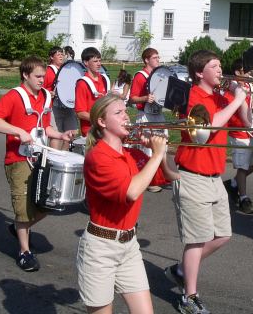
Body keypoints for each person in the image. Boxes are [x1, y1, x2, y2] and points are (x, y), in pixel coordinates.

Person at [77, 94, 179, 313]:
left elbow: (171, 176)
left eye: (125, 111)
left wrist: (159, 154)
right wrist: (155, 156)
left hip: (129, 245)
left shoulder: (131, 153)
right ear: (102, 122)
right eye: (118, 113)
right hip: (101, 248)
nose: (126, 117)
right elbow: (131, 191)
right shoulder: (98, 157)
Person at [165, 49, 249, 314]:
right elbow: (207, 128)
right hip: (192, 175)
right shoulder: (193, 96)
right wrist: (235, 100)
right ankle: (189, 296)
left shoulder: (222, 97)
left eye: (220, 65)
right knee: (197, 240)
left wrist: (243, 97)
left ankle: (181, 270)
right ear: (200, 72)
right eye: (214, 66)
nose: (220, 70)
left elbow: (245, 124)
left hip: (214, 176)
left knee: (223, 235)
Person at [0, 56, 75, 272]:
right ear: (25, 75)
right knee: (24, 208)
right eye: (37, 76)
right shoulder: (14, 96)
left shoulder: (45, 96)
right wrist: (17, 131)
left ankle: (19, 227)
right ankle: (24, 251)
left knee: (47, 204)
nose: (42, 80)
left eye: (43, 76)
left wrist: (61, 135)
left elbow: (45, 127)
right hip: (18, 159)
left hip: (40, 158)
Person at [223, 58, 253, 214]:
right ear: (238, 72)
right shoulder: (233, 88)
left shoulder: (248, 85)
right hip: (239, 130)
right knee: (243, 168)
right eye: (248, 70)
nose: (252, 73)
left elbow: (250, 107)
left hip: (251, 128)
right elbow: (241, 112)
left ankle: (232, 184)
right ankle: (244, 198)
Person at [128, 47, 169, 192]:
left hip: (158, 114)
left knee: (163, 145)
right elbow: (132, 99)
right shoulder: (140, 76)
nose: (158, 60)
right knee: (148, 148)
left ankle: (162, 176)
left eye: (158, 57)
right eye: (155, 58)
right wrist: (145, 98)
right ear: (146, 60)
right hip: (145, 115)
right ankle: (149, 181)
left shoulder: (159, 75)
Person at [75, 47, 108, 137]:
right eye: (95, 61)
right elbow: (80, 113)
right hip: (90, 130)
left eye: (99, 61)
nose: (99, 64)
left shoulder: (104, 79)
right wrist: (99, 119)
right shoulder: (82, 83)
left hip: (106, 128)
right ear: (86, 63)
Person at [43, 46, 69, 150]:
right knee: (56, 133)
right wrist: (48, 93)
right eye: (58, 54)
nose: (61, 56)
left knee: (69, 133)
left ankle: (64, 158)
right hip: (53, 106)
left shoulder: (66, 70)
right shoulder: (48, 71)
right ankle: (54, 159)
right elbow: (40, 89)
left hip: (66, 106)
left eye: (62, 54)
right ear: (51, 57)